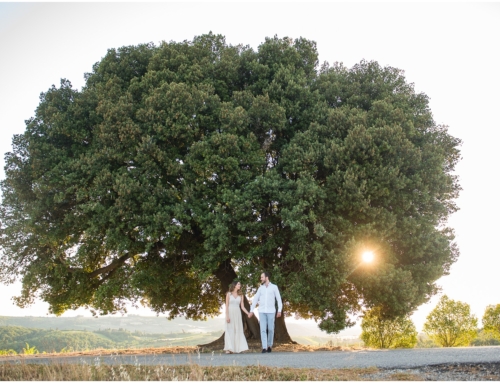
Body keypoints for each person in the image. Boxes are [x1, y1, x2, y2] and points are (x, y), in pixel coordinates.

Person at [248, 272, 282, 353]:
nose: (261, 279)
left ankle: (269, 345)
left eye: (262, 277)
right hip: (262, 311)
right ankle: (264, 347)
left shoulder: (274, 287)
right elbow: (255, 299)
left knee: (270, 329)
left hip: (271, 311)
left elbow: (279, 299)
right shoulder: (260, 288)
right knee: (262, 329)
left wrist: (279, 310)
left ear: (266, 277)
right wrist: (251, 310)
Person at [224, 281, 250, 354]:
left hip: (237, 314)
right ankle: (229, 348)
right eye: (238, 284)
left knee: (238, 330)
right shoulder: (228, 294)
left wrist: (248, 313)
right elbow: (226, 306)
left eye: (240, 284)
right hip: (230, 313)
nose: (240, 285)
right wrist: (227, 316)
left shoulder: (241, 295)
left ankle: (240, 348)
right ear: (234, 285)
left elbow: (242, 307)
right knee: (229, 330)